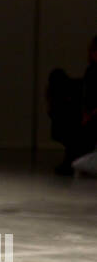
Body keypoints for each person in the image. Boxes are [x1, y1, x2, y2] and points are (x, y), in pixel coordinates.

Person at [46, 35, 97, 174]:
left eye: (92, 50)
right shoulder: (91, 71)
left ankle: (72, 160)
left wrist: (90, 113)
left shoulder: (93, 72)